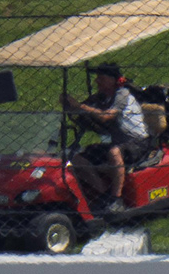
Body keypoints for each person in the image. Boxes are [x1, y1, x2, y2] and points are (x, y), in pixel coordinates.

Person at [64, 64, 153, 214]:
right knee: (77, 158)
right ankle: (104, 193)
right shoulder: (101, 97)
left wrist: (81, 107)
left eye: (101, 78)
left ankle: (116, 199)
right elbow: (82, 108)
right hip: (119, 142)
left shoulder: (122, 94)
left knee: (114, 152)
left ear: (113, 80)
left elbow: (107, 116)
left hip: (138, 142)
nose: (97, 81)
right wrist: (69, 104)